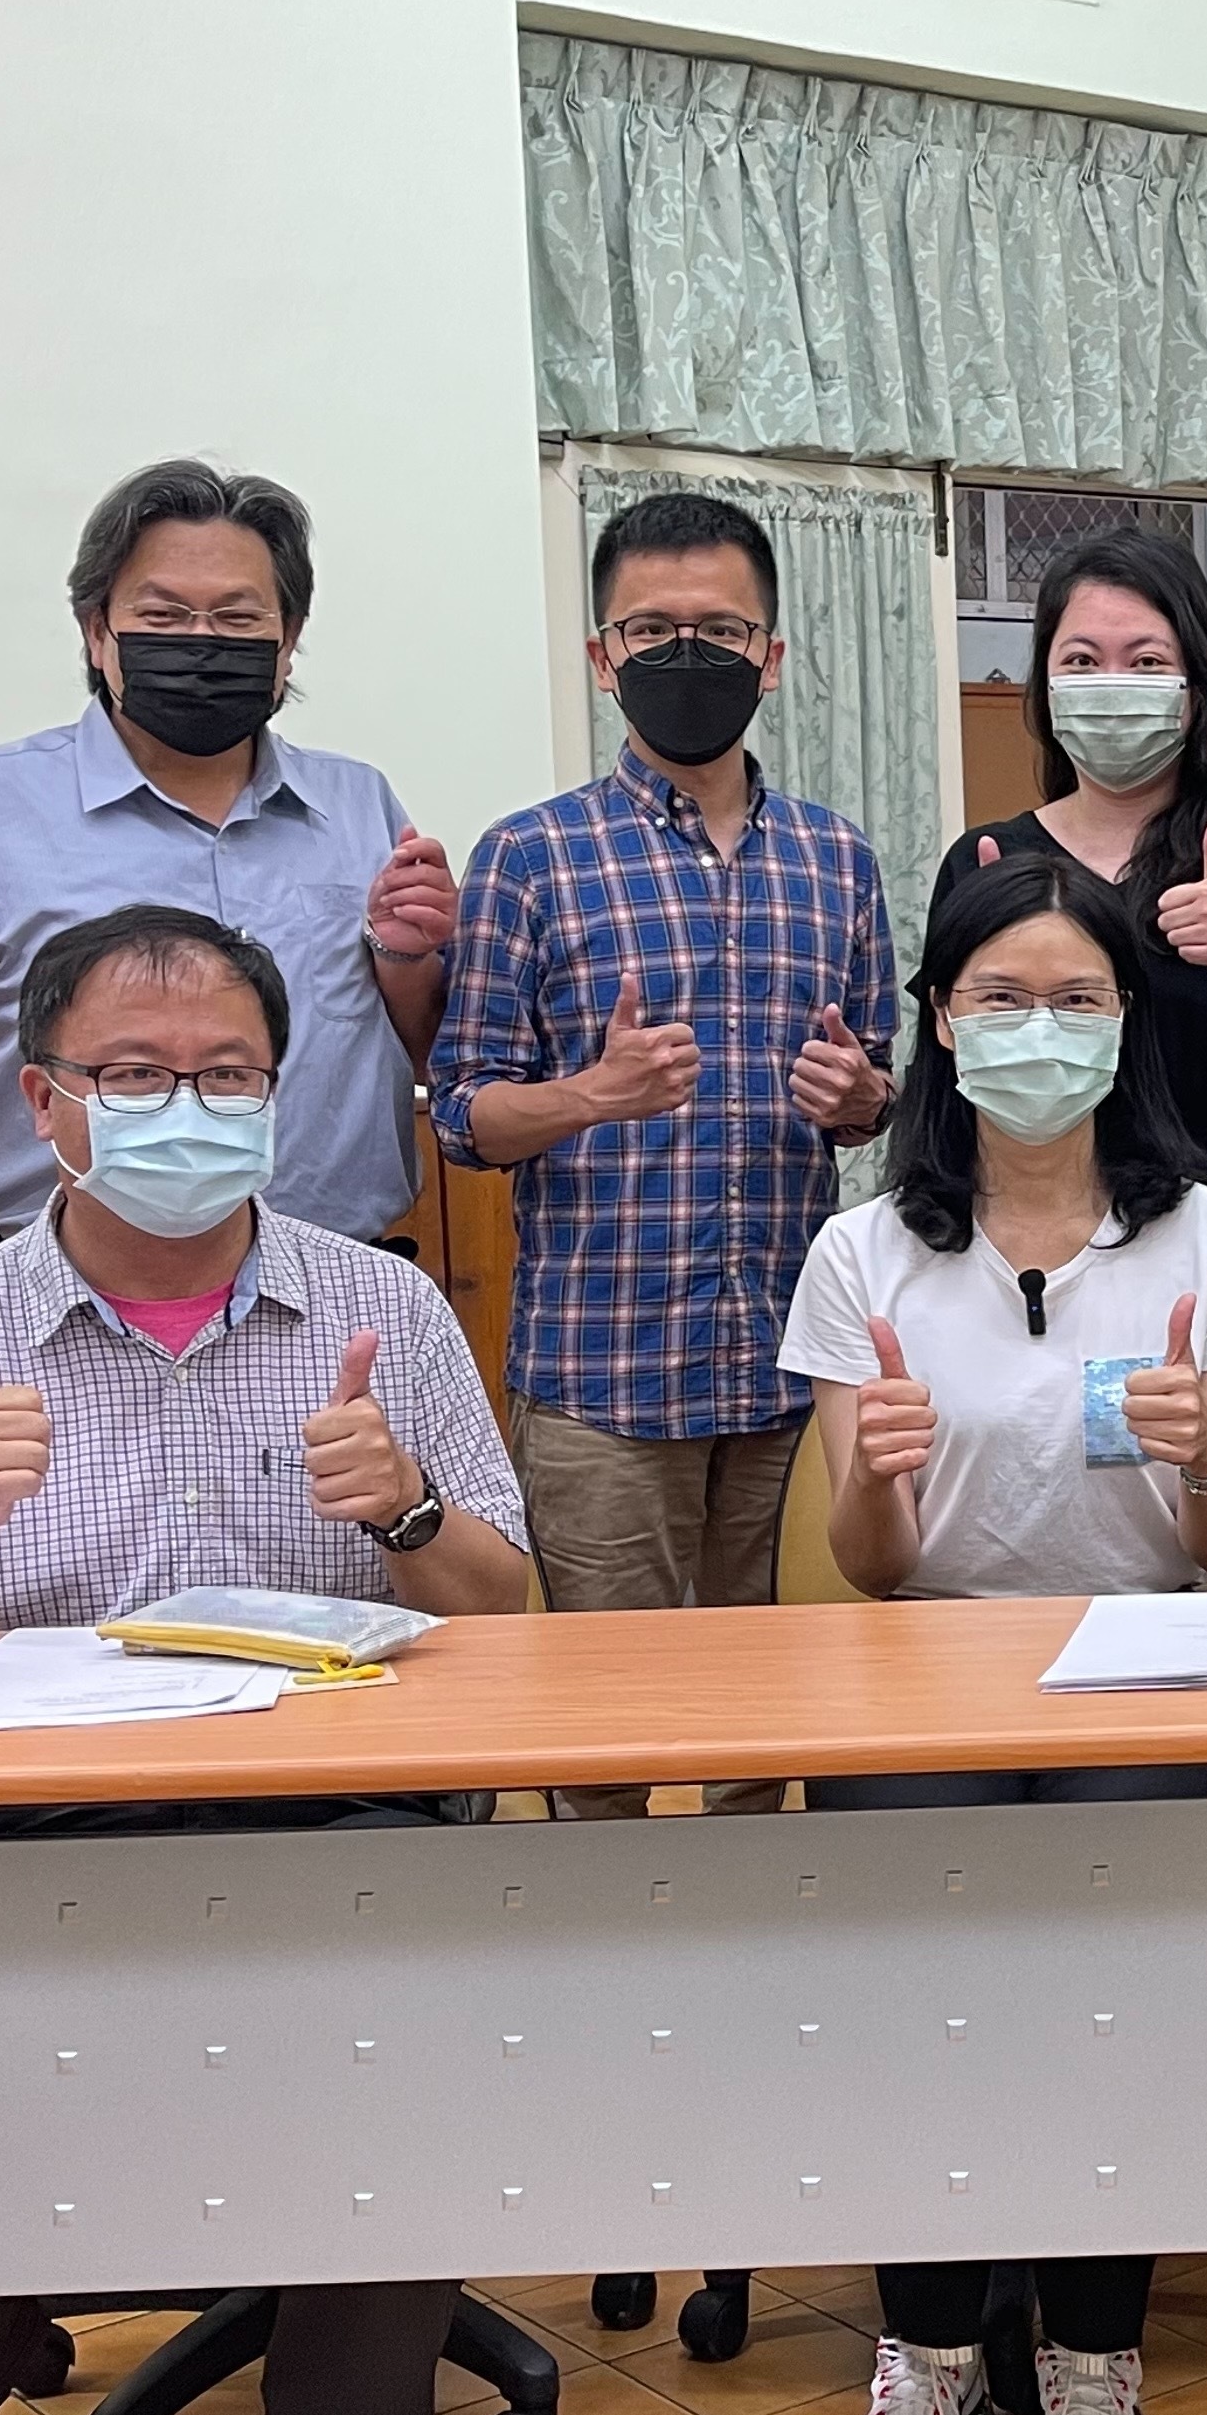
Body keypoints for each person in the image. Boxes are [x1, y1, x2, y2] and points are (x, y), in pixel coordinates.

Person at [0, 905, 532, 2415]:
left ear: (282, 1095)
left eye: (227, 1072)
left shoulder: (383, 1306)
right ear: (44, 1101)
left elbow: (508, 1600)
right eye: (136, 1072)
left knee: (401, 1970)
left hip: (335, 1793)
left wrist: (407, 1506)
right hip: (26, 1812)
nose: (184, 1103)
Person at [776, 851, 1207, 2415]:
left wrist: (1199, 1445)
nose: (1037, 1027)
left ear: (1125, 1022)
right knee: (916, 1979)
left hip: (1146, 1649)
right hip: (927, 1653)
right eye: (999, 995)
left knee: (1106, 1976)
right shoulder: (865, 1248)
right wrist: (877, 1475)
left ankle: (1092, 2354)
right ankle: (923, 2351)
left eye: (1074, 996)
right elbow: (863, 1563)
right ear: (943, 1022)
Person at [430, 488, 896, 1806]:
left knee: (775, 1725)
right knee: (604, 1738)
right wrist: (592, 1095)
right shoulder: (531, 857)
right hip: (603, 1382)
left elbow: (876, 1095)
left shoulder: (838, 861)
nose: (688, 654)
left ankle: (758, 1983)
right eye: (651, 628)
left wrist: (860, 1096)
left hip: (793, 1372)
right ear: (601, 656)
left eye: (722, 629)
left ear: (773, 655)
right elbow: (463, 1112)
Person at [0, 460, 456, 1249]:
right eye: (165, 615)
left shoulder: (361, 808)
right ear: (95, 630)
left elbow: (437, 1059)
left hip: (336, 1288)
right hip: (53, 1300)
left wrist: (406, 961)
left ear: (290, 642)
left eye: (239, 619)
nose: (203, 642)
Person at [931, 529, 1207, 1583]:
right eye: (1082, 661)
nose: (1112, 685)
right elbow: (945, 1097)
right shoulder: (989, 860)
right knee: (1051, 1536)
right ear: (1042, 684)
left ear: (1198, 682)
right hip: (1037, 1259)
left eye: (1146, 660)